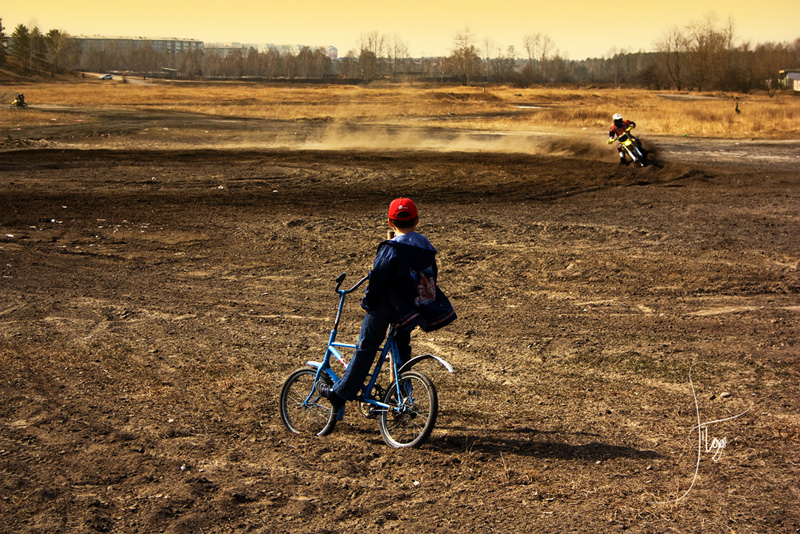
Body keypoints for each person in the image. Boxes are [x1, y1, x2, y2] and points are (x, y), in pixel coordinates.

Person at [317, 197, 456, 412]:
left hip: (387, 307)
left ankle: (340, 393)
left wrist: (367, 302)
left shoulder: (390, 248)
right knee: (402, 350)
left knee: (366, 347)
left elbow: (378, 279)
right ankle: (403, 396)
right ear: (417, 220)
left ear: (390, 222)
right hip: (412, 310)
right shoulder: (426, 249)